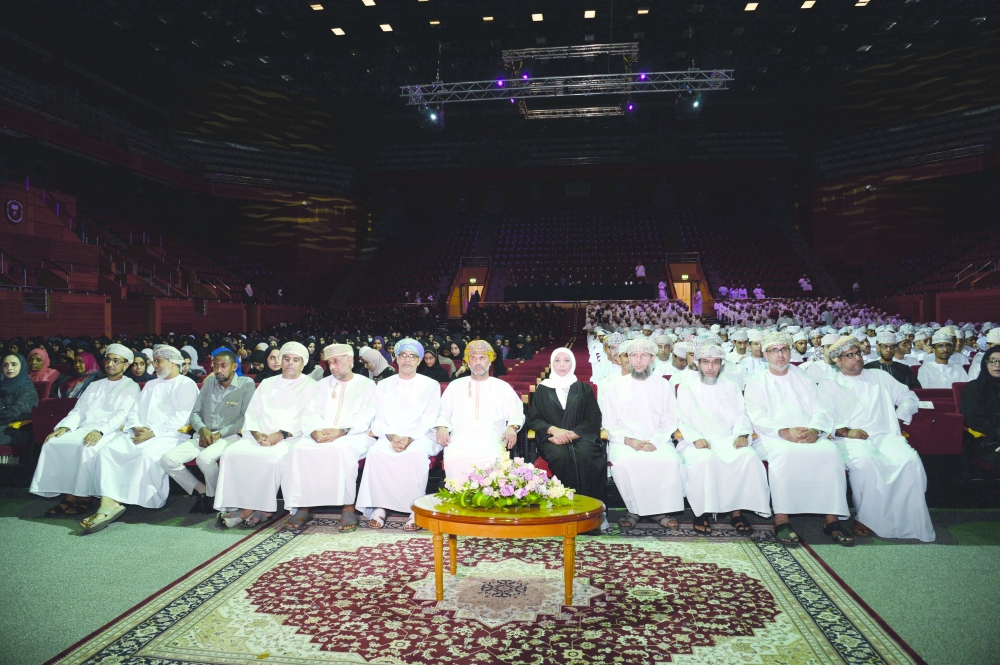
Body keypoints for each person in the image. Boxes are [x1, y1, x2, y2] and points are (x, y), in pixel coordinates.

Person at [820, 336, 935, 541]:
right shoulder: (830, 383)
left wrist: (900, 417)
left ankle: (907, 519)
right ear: (838, 361)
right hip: (850, 440)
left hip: (885, 435)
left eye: (858, 353)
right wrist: (846, 431)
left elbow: (908, 396)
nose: (857, 358)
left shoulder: (879, 376)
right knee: (866, 463)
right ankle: (865, 518)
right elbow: (823, 415)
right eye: (850, 355)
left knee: (910, 462)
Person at [743, 332, 852, 545]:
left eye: (784, 349)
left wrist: (816, 430)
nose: (780, 355)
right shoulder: (756, 381)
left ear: (790, 351)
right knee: (784, 454)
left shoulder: (804, 377)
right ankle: (782, 517)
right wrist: (784, 432)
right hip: (773, 437)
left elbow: (821, 408)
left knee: (830, 453)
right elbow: (756, 415)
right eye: (774, 350)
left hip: (808, 433)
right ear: (765, 354)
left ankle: (831, 518)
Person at [81, 346, 199, 534]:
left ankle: (114, 503)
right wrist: (136, 427)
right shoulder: (151, 384)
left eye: (159, 361)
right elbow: (134, 410)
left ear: (173, 362)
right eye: (155, 361)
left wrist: (152, 433)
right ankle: (109, 501)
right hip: (139, 433)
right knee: (107, 452)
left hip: (169, 435)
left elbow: (181, 418)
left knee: (145, 454)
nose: (155, 366)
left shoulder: (186, 384)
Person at [214, 342, 316, 528]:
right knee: (232, 453)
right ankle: (242, 505)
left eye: (296, 360)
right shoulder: (268, 383)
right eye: (286, 359)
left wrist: (280, 435)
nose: (290, 363)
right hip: (259, 437)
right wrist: (257, 434)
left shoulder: (311, 385)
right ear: (280, 360)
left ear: (303, 364)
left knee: (272, 459)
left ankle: (259, 509)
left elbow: (308, 418)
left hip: (290, 438)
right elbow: (252, 413)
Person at [30, 345, 140, 516]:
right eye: (108, 359)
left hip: (111, 431)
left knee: (87, 447)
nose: (110, 364)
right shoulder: (94, 385)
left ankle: (84, 497)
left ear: (126, 365)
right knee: (53, 442)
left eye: (116, 361)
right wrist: (65, 427)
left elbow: (121, 415)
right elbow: (78, 411)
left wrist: (100, 431)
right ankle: (69, 495)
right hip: (84, 428)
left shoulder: (131, 386)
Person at [281, 343, 377, 532]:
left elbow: (368, 415)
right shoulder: (322, 385)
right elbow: (311, 412)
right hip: (322, 433)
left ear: (350, 361)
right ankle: (304, 506)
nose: (332, 367)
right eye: (329, 363)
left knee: (340, 450)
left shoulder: (366, 385)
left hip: (354, 434)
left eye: (336, 362)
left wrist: (341, 431)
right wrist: (315, 431)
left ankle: (348, 506)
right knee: (299, 450)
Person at [676, 344, 770, 534]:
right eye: (705, 362)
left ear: (721, 364)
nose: (710, 367)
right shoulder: (687, 388)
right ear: (698, 364)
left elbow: (742, 415)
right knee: (705, 459)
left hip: (728, 438)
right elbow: (681, 419)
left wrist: (741, 435)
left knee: (747, 457)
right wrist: (695, 438)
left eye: (715, 362)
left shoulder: (731, 387)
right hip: (696, 441)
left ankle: (737, 511)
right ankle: (701, 512)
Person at [356, 338, 442, 531]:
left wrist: (409, 438)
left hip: (421, 436)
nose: (407, 360)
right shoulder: (384, 385)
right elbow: (377, 417)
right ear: (396, 358)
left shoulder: (431, 385)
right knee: (376, 453)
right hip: (390, 436)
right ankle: (380, 507)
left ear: (419, 360)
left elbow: (430, 418)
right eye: (403, 355)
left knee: (414, 454)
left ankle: (415, 510)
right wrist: (392, 437)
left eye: (412, 356)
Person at [600, 337, 684, 529]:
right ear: (627, 358)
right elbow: (609, 423)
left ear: (653, 359)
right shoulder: (614, 386)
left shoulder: (663, 385)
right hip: (625, 442)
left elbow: (670, 420)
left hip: (658, 440)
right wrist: (630, 441)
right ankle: (634, 510)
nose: (638, 361)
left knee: (670, 461)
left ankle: (658, 511)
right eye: (634, 356)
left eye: (644, 356)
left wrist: (655, 442)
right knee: (625, 463)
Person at [160, 350, 255, 514]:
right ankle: (203, 491)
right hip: (204, 435)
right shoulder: (209, 383)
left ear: (234, 366)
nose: (218, 370)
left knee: (204, 459)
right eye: (215, 366)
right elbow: (195, 414)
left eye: (223, 366)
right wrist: (203, 429)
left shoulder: (246, 384)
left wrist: (219, 433)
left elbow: (243, 417)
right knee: (168, 460)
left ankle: (213, 497)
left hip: (230, 436)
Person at [527, 348, 606, 517]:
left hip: (581, 437)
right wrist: (553, 430)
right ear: (551, 364)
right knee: (560, 456)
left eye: (566, 360)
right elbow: (533, 418)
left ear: (573, 363)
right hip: (552, 439)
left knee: (587, 456)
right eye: (557, 360)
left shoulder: (584, 388)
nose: (562, 364)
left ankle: (592, 512)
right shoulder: (542, 389)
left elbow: (593, 418)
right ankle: (562, 509)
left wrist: (573, 434)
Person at [436, 341, 524, 482]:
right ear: (467, 361)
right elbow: (443, 412)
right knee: (453, 458)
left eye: (482, 358)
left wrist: (512, 427)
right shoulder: (455, 386)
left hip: (492, 439)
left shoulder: (502, 387)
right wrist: (441, 427)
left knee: (491, 458)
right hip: (459, 439)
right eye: (473, 358)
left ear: (490, 360)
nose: (477, 362)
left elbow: (517, 413)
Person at [960, 346, 1000, 471]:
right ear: (986, 363)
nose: (997, 365)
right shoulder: (974, 388)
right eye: (993, 361)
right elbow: (975, 421)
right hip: (984, 440)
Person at [1, 354, 39, 452]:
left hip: (17, 430)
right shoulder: (3, 386)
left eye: (14, 364)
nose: (9, 368)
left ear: (22, 366)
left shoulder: (28, 390)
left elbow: (13, 413)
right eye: (5, 365)